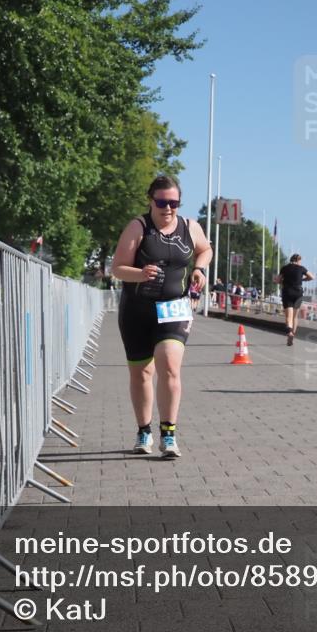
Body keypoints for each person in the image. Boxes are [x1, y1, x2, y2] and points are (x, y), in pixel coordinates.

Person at [112, 175, 212, 458]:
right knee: (142, 372)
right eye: (162, 202)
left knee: (169, 365)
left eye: (174, 203)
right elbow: (117, 268)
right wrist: (140, 274)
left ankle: (169, 434)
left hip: (174, 308)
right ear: (150, 201)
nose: (168, 208)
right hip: (137, 310)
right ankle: (144, 432)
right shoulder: (138, 227)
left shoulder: (190, 227)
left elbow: (205, 249)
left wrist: (200, 269)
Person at [274, 253, 314, 346]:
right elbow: (312, 277)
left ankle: (289, 333)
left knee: (288, 317)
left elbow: (278, 281)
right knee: (295, 317)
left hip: (287, 292)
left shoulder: (284, 268)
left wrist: (283, 281)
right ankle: (293, 335)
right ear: (298, 260)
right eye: (300, 261)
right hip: (298, 293)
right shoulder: (301, 268)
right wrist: (302, 279)